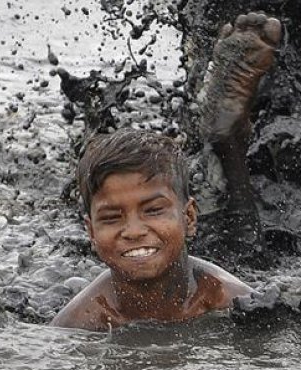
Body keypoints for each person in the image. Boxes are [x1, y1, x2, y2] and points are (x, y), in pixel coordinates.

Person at [51, 128, 254, 331]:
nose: (134, 231)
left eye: (153, 210)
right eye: (112, 218)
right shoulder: (78, 322)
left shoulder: (233, 301)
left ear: (189, 217)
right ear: (92, 233)